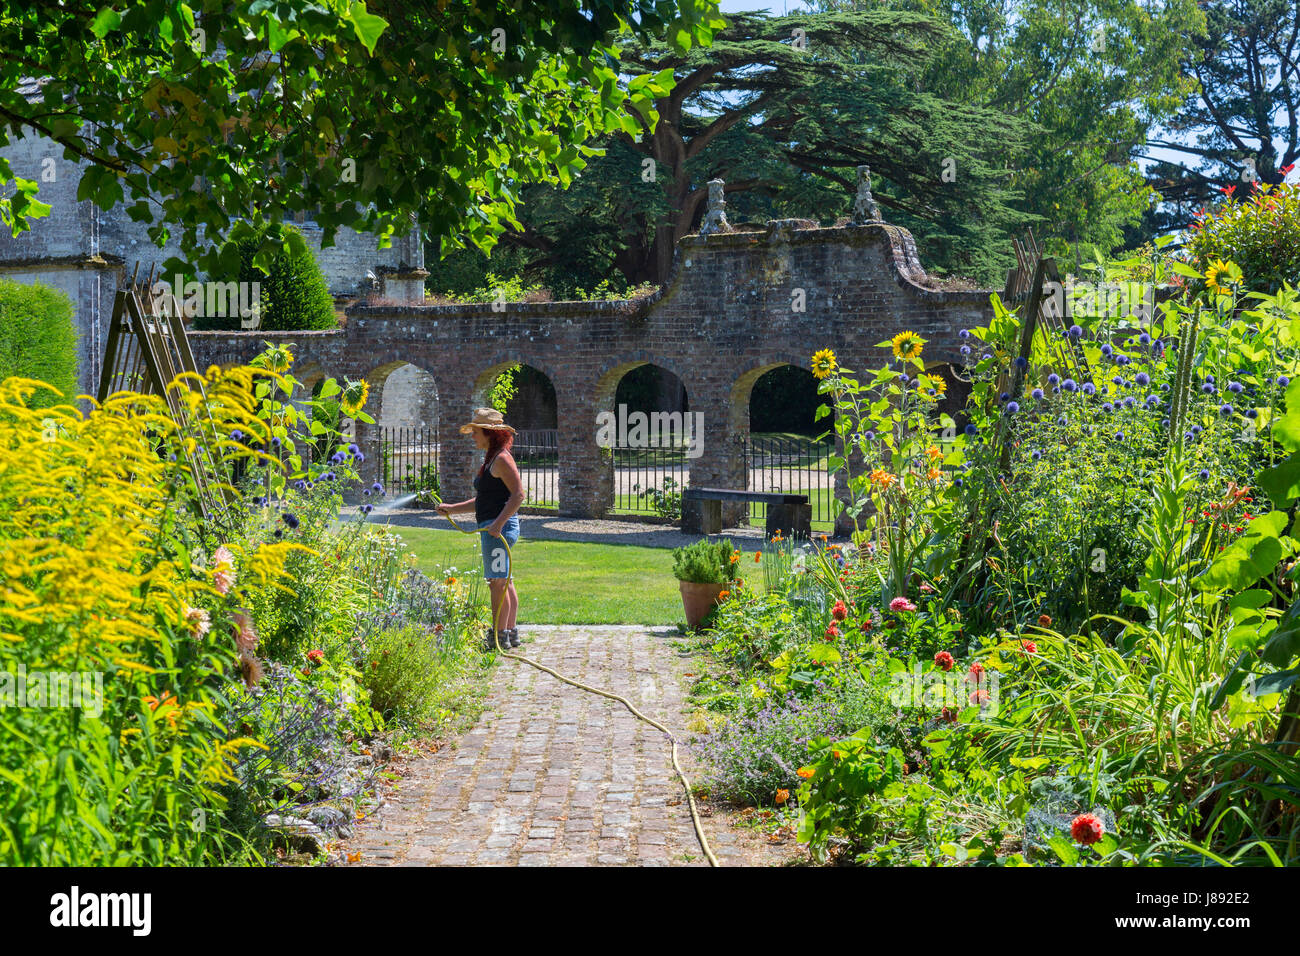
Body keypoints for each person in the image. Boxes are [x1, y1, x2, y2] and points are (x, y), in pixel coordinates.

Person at [436, 407, 525, 651]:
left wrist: (498, 524)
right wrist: (451, 509)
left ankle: (498, 635)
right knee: (504, 580)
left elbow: (518, 495)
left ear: (488, 433)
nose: (473, 436)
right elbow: (485, 500)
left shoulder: (502, 459)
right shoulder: (492, 459)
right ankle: (510, 633)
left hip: (497, 530)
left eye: (475, 432)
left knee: (496, 583)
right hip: (493, 528)